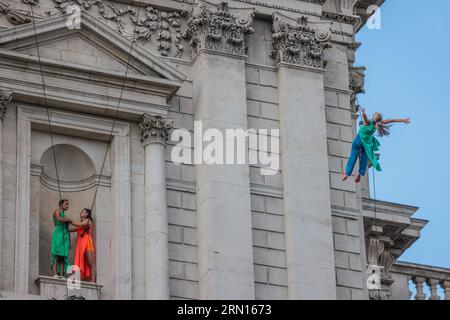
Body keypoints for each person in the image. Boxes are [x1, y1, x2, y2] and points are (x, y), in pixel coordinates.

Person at [342, 108, 411, 183]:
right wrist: (403, 120)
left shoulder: (369, 122)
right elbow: (391, 120)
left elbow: (366, 119)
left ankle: (347, 173)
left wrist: (363, 113)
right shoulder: (378, 124)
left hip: (358, 141)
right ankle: (360, 173)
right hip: (366, 145)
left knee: (353, 155)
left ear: (374, 116)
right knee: (364, 158)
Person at [70, 208, 96, 283]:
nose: (80, 212)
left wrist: (70, 221)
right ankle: (77, 277)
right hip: (80, 242)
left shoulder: (88, 220)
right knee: (79, 259)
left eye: (82, 211)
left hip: (86, 241)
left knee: (91, 262)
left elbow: (79, 224)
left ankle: (93, 279)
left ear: (87, 214)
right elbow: (74, 229)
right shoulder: (82, 222)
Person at [51, 199, 72, 278]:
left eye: (68, 204)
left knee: (62, 256)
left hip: (65, 236)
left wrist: (69, 241)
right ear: (61, 204)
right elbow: (59, 219)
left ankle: (62, 274)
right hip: (58, 234)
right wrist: (68, 219)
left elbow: (68, 229)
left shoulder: (65, 216)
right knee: (56, 254)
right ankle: (54, 273)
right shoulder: (57, 211)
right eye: (66, 204)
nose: (67, 205)